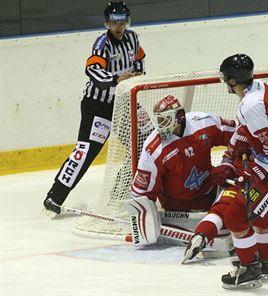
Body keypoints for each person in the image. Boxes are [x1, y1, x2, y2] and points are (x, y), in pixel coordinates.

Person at [205, 54, 268, 289]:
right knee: (262, 214)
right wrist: (231, 158)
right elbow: (248, 132)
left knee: (235, 216)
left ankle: (250, 269)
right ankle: (267, 264)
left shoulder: (252, 106)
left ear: (232, 81)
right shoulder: (258, 89)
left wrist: (254, 173)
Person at [43, 1, 147, 217]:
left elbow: (139, 59)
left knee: (145, 144)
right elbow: (92, 69)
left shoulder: (133, 37)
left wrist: (137, 74)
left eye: (121, 21)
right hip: (98, 107)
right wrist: (116, 78)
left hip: (124, 103)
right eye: (113, 22)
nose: (118, 26)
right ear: (107, 23)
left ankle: (121, 189)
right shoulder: (102, 43)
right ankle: (55, 196)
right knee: (84, 153)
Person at [127, 95, 236, 245]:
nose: (160, 125)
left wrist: (227, 162)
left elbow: (239, 137)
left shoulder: (204, 122)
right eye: (158, 120)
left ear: (179, 117)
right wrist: (142, 226)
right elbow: (140, 194)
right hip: (178, 212)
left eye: (164, 119)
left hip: (210, 196)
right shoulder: (153, 149)